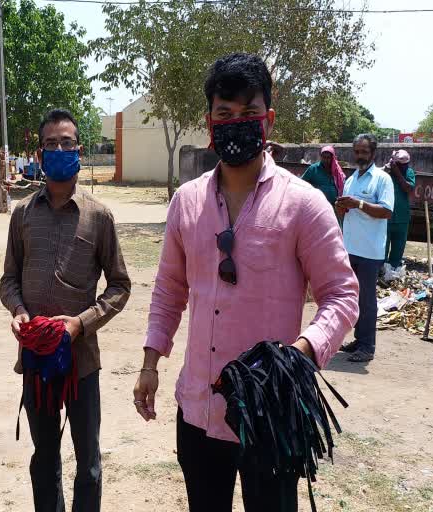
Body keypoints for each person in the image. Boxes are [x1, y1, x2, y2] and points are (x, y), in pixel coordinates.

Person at [131, 53, 359, 512]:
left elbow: (342, 294)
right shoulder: (186, 202)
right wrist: (151, 361)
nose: (237, 123)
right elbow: (169, 290)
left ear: (268, 120)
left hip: (271, 413)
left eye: (249, 114)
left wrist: (303, 353)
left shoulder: (305, 205)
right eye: (225, 114)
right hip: (198, 409)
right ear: (210, 121)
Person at [0, 109, 131, 512]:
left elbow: (121, 286)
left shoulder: (99, 217)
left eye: (67, 143)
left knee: (88, 463)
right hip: (37, 360)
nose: (59, 149)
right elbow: (9, 280)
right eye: (51, 144)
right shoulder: (22, 214)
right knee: (44, 459)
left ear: (80, 151)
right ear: (40, 155)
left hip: (82, 362)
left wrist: (80, 324)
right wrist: (19, 310)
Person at [337, 133, 394, 363]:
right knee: (353, 297)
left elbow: (387, 211)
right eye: (357, 151)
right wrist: (342, 207)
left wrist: (358, 204)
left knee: (367, 300)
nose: (360, 155)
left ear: (373, 153)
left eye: (364, 152)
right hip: (350, 248)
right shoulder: (352, 179)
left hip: (370, 251)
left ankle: (367, 347)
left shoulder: (382, 179)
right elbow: (348, 209)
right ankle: (359, 340)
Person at [383, 149, 416, 275]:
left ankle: (393, 270)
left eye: (405, 164)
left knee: (398, 247)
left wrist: (397, 173)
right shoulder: (386, 173)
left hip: (402, 217)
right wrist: (388, 170)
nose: (404, 167)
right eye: (400, 165)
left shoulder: (409, 172)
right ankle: (381, 270)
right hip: (386, 217)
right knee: (383, 247)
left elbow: (408, 188)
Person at [301, 145, 345, 212]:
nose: (325, 160)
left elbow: (341, 185)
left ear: (332, 158)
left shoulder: (337, 170)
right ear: (321, 157)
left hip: (334, 207)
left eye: (328, 158)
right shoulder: (313, 169)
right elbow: (302, 183)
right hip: (317, 206)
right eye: (323, 157)